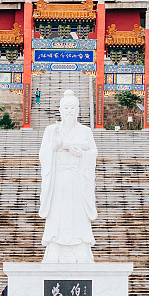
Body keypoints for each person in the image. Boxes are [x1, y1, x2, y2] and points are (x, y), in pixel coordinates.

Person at [39, 90, 98, 263]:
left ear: (78, 110)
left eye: (72, 107)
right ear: (60, 109)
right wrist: (56, 145)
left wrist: (82, 155)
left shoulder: (85, 131)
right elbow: (43, 153)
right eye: (66, 107)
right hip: (58, 179)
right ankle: (54, 248)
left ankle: (81, 248)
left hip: (77, 179)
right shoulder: (52, 130)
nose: (69, 111)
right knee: (57, 212)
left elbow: (93, 151)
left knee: (78, 213)